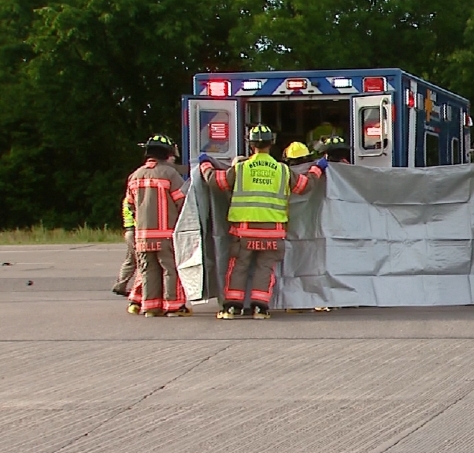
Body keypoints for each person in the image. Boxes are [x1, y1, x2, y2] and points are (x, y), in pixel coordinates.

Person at [198, 124, 326, 320]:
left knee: (238, 267)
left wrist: (205, 164)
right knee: (265, 269)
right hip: (272, 233)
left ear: (251, 145)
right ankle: (261, 308)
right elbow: (305, 186)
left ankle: (232, 307)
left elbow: (216, 182)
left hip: (244, 232)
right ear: (271, 144)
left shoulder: (241, 168)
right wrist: (317, 169)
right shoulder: (282, 170)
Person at [126, 134, 189, 317]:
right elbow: (182, 202)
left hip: (142, 236)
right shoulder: (169, 174)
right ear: (167, 153)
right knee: (170, 270)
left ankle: (151, 307)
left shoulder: (135, 175)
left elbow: (130, 205)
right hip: (166, 234)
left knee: (148, 270)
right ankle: (173, 306)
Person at [112, 196, 137, 299]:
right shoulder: (134, 198)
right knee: (142, 262)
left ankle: (120, 286)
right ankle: (139, 291)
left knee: (131, 261)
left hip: (129, 231)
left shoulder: (127, 199)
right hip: (135, 231)